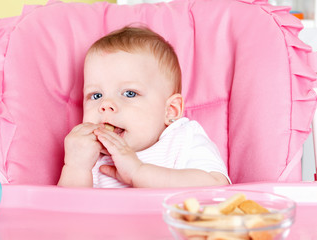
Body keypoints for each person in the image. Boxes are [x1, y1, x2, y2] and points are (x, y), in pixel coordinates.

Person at [58, 26, 230, 188]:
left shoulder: (183, 139)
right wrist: (75, 168)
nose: (105, 105)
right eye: (96, 95)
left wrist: (138, 172)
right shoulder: (89, 157)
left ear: (171, 110)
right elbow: (63, 215)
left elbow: (218, 185)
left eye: (129, 93)